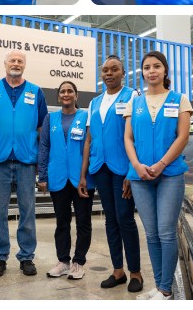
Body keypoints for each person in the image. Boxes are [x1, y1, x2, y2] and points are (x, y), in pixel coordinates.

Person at [124, 51, 192, 300]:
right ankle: (159, 285)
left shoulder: (180, 99)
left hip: (171, 174)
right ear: (142, 72)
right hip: (139, 176)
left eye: (156, 66)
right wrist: (137, 165)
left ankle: (166, 289)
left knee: (165, 232)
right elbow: (128, 138)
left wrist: (162, 164)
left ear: (165, 71)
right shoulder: (135, 102)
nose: (151, 71)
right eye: (146, 67)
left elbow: (183, 136)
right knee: (151, 233)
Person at [0, 50, 49, 277]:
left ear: (25, 65)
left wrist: (42, 166)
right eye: (13, 60)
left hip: (26, 160)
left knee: (27, 211)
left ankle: (27, 256)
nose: (16, 63)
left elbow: (42, 130)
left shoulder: (36, 92)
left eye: (21, 61)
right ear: (5, 64)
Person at [85, 55, 145, 292]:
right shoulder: (94, 102)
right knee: (110, 220)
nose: (109, 73)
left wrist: (132, 172)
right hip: (100, 168)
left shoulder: (132, 96)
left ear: (123, 72)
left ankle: (136, 273)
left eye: (114, 69)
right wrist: (86, 172)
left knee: (125, 219)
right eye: (105, 70)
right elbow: (90, 138)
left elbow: (136, 137)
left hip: (123, 169)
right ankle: (117, 271)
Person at [38, 81, 93, 280]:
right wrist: (42, 176)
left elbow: (91, 146)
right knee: (62, 222)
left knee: (83, 222)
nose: (66, 94)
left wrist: (86, 175)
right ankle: (63, 261)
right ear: (59, 96)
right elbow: (44, 147)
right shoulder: (50, 118)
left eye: (70, 91)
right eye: (63, 91)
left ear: (76, 95)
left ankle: (78, 262)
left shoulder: (85, 117)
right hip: (58, 177)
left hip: (81, 179)